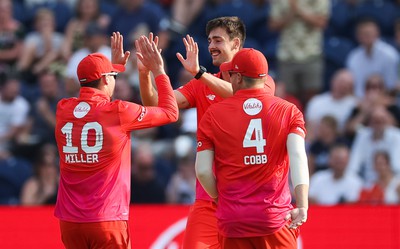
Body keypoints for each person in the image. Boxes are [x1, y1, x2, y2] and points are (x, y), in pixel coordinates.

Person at [134, 16, 274, 248]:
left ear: (236, 44)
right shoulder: (202, 83)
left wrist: (200, 73)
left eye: (218, 40)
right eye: (209, 40)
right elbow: (157, 105)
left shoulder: (262, 80)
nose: (211, 46)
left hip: (250, 198)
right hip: (210, 199)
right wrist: (146, 73)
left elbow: (243, 94)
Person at [54, 33, 178, 249]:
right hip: (107, 219)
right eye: (111, 75)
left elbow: (94, 99)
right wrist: (158, 70)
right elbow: (170, 112)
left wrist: (113, 70)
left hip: (70, 221)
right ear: (105, 79)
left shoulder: (63, 109)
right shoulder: (119, 111)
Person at [195, 48, 309, 249]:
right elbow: (298, 156)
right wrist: (302, 204)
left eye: (230, 74)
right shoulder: (288, 110)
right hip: (274, 219)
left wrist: (220, 199)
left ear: (238, 77)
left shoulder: (213, 114)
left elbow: (203, 171)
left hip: (233, 220)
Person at [268, 0, 331, 106]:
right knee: (287, 97)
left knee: (312, 96)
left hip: (312, 53)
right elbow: (273, 25)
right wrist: (291, 13)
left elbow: (322, 22)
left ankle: (310, 122)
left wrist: (299, 10)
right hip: (287, 55)